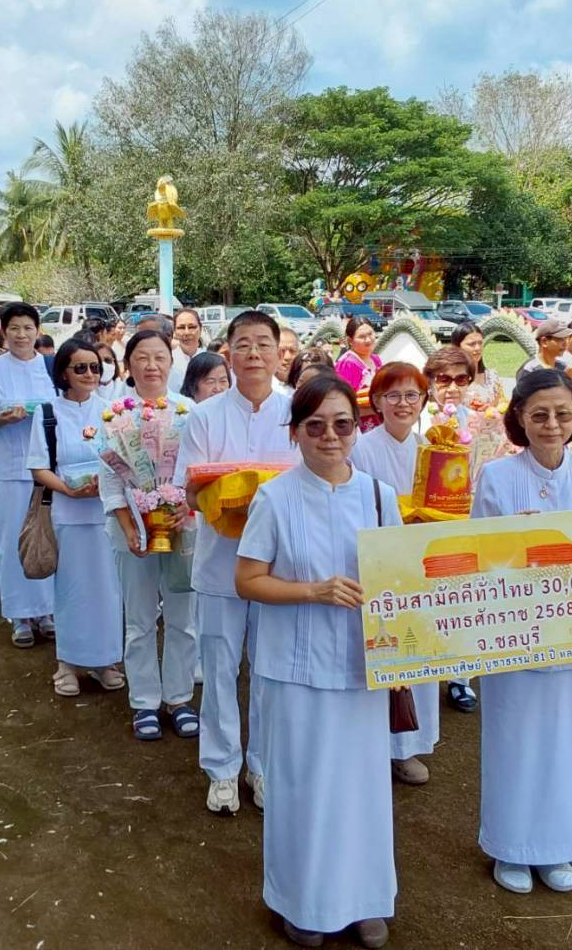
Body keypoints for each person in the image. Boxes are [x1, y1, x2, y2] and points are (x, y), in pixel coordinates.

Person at [236, 374, 401, 949]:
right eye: (316, 426)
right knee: (303, 788)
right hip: (295, 669)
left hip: (362, 667)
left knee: (361, 788)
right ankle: (302, 903)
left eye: (342, 424)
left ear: (358, 428)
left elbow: (402, 579)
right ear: (296, 432)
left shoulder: (380, 497)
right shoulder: (275, 498)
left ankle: (363, 901)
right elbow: (247, 580)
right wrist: (313, 591)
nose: (330, 436)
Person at [472, 367, 572, 897]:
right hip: (513, 634)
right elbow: (477, 561)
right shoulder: (496, 477)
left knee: (565, 743)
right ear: (519, 418)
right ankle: (509, 847)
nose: (551, 424)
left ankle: (556, 847)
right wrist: (516, 544)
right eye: (539, 415)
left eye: (562, 414)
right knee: (512, 741)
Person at [174, 310, 298, 815]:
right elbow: (188, 490)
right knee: (220, 670)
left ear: (278, 352)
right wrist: (227, 495)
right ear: (228, 352)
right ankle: (222, 768)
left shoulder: (297, 412)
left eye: (263, 344)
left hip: (279, 569)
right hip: (219, 564)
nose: (253, 354)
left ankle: (262, 764)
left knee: (269, 670)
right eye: (243, 344)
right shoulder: (204, 416)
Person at [100, 331, 200, 738]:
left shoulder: (189, 411)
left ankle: (179, 697)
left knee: (183, 618)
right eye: (142, 357)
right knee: (139, 619)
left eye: (159, 356)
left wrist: (187, 508)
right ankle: (143, 701)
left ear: (171, 363)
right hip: (134, 533)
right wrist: (129, 527)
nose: (151, 365)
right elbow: (110, 480)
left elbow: (199, 472)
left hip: (180, 528)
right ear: (128, 364)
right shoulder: (113, 415)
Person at [350, 362, 439, 787]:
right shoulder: (362, 449)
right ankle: (371, 747)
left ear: (423, 401)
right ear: (377, 402)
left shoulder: (433, 449)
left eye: (412, 395)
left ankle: (406, 748)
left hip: (423, 565)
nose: (403, 404)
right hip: (378, 563)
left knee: (419, 654)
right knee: (382, 653)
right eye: (393, 395)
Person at [28, 337, 125, 696]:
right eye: (80, 367)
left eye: (95, 367)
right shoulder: (47, 413)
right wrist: (69, 490)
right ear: (64, 373)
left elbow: (124, 459)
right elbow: (39, 467)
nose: (89, 374)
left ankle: (106, 660)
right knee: (71, 590)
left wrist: (107, 481)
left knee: (108, 590)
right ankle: (67, 663)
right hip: (68, 514)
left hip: (106, 513)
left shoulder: (112, 410)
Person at [0, 302, 59, 648]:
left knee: (47, 537)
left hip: (47, 469)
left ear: (37, 331)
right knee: (11, 542)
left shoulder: (51, 368)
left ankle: (47, 611)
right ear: (4, 332)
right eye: (14, 329)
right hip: (9, 469)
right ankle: (19, 615)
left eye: (28, 328)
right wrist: (1, 421)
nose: (22, 335)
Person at [422, 346, 479, 713]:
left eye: (461, 379)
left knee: (464, 602)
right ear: (430, 382)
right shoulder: (417, 418)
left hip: (465, 520)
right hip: (425, 523)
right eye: (444, 379)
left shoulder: (482, 421)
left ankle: (461, 678)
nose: (452, 387)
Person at [450, 321, 504, 408]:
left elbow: (501, 406)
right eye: (471, 344)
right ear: (457, 347)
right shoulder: (449, 379)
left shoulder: (492, 377)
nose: (477, 348)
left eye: (480, 343)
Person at [334, 318, 381, 396]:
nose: (368, 340)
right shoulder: (347, 363)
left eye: (370, 334)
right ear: (350, 341)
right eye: (362, 337)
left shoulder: (376, 359)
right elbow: (342, 396)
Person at [169, 308, 204, 394]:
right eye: (181, 328)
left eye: (192, 327)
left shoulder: (210, 359)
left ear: (200, 329)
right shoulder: (167, 362)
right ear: (174, 331)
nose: (187, 332)